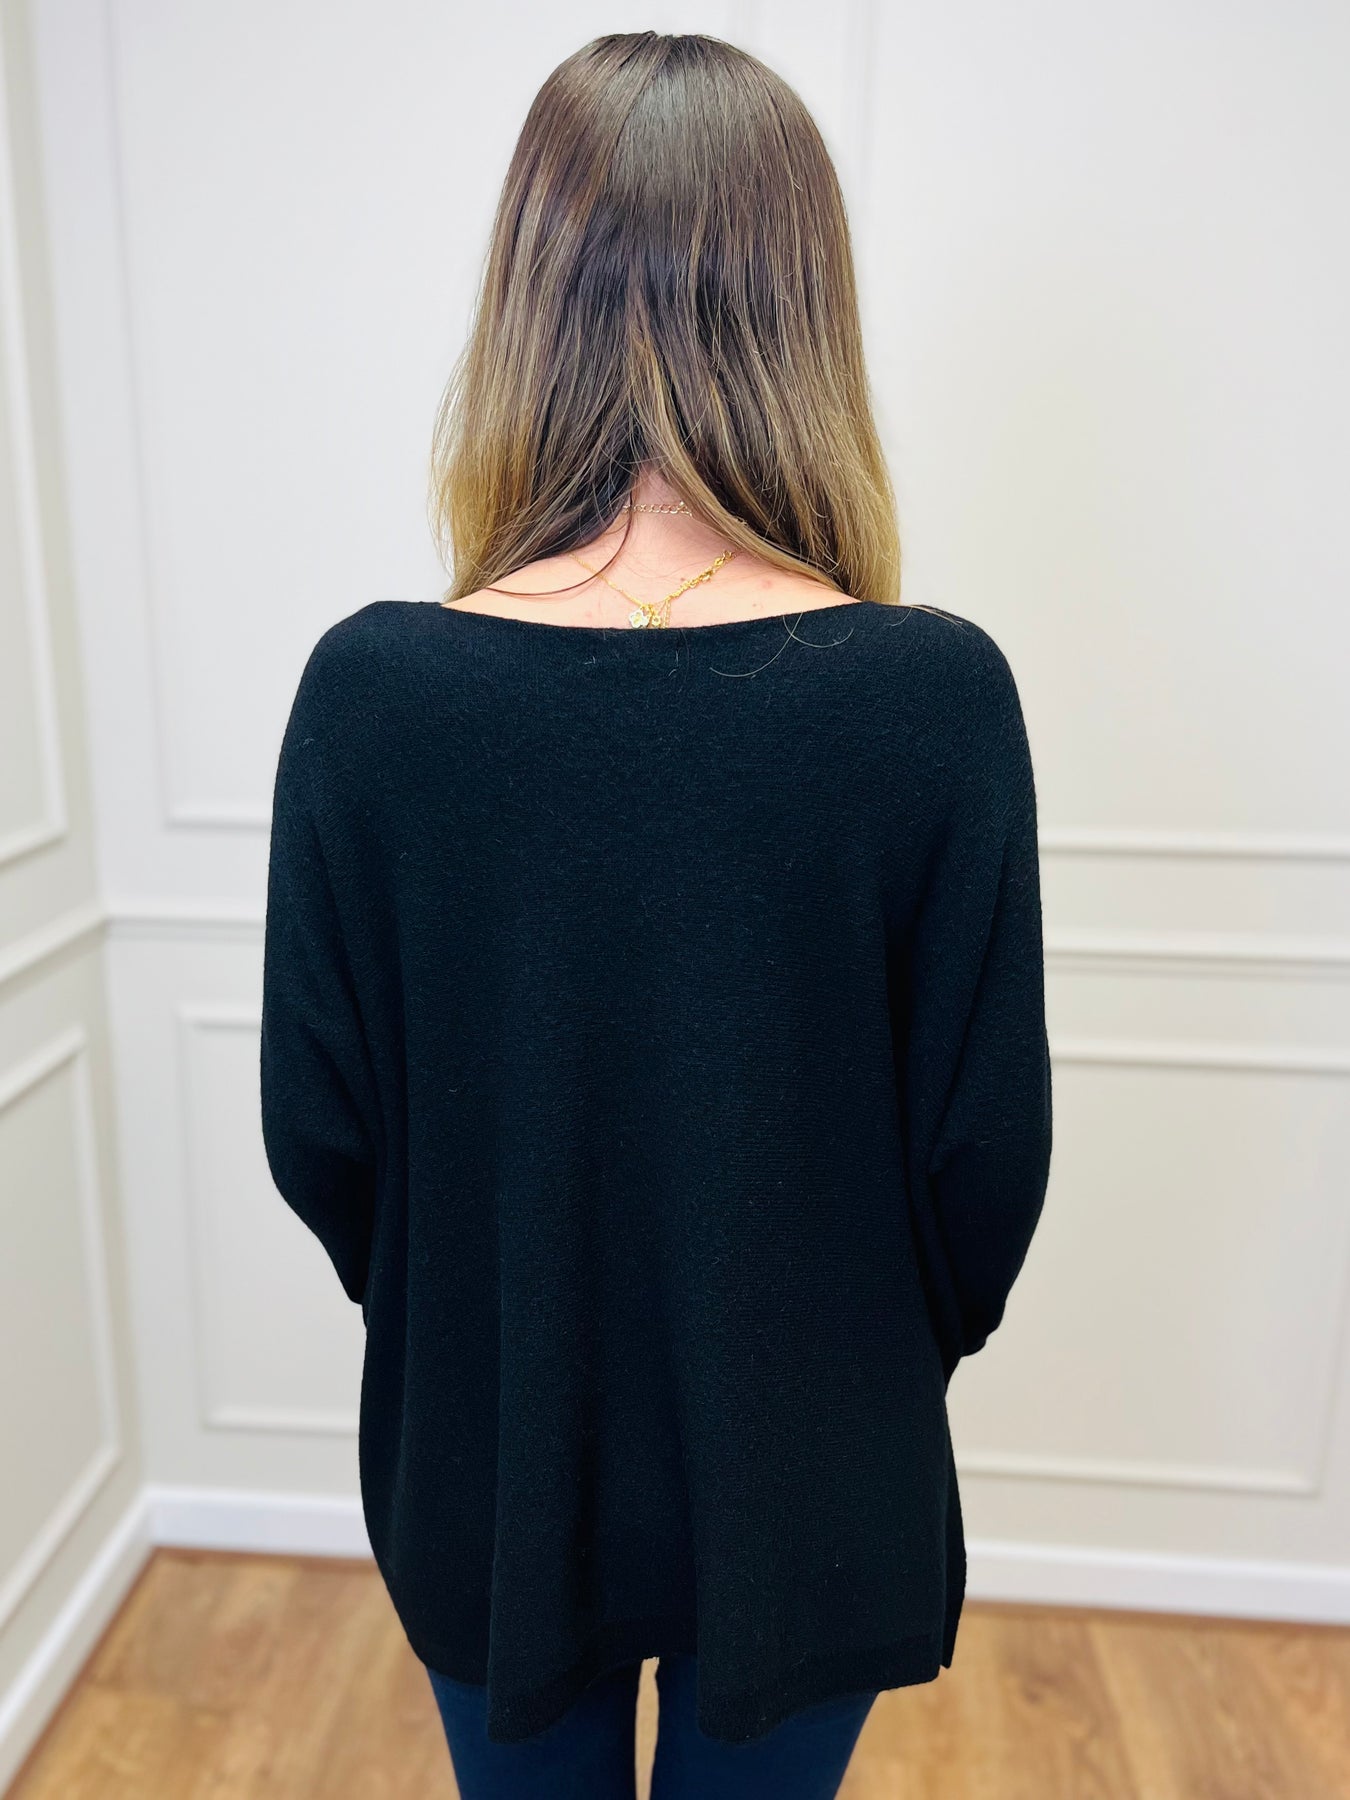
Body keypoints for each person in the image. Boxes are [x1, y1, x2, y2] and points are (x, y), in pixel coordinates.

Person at [259, 29, 1053, 1800]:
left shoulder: (373, 694)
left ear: (529, 300)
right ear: (801, 311)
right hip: (815, 1450)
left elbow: (323, 1134)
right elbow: (981, 1158)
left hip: (491, 1435)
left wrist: (485, 1297)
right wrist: (839, 1340)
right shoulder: (930, 695)